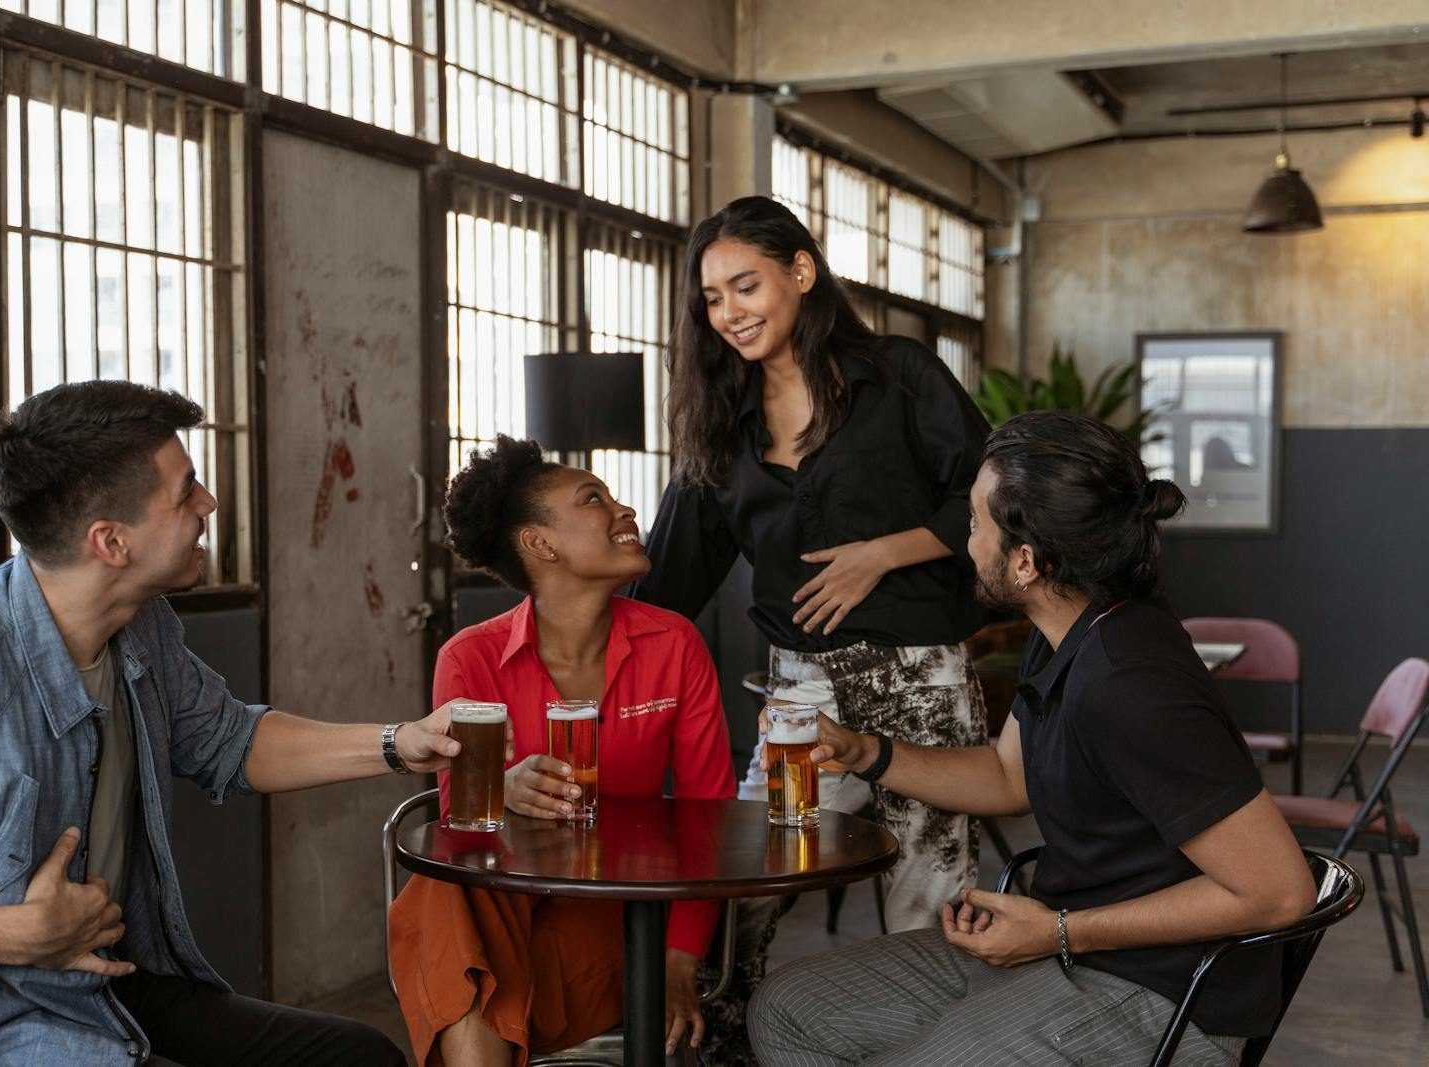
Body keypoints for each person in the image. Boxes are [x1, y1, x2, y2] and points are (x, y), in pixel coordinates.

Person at [0, 380, 475, 1067]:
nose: (210, 504)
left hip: (107, 992)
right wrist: (12, 934)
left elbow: (231, 741)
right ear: (110, 541)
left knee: (358, 1058)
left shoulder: (142, 626)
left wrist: (399, 743)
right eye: (187, 490)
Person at [747, 412, 1317, 1066]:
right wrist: (862, 750)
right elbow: (1005, 776)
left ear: (1024, 561)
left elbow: (1280, 891)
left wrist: (1059, 929)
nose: (965, 542)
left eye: (974, 524)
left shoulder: (1132, 682)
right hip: (1064, 943)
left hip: (1163, 990)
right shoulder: (1068, 633)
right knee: (788, 1009)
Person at [630, 195, 991, 1057]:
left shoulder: (900, 372)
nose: (729, 313)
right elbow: (667, 578)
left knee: (926, 905)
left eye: (744, 285)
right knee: (746, 879)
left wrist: (884, 553)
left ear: (800, 270)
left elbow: (989, 492)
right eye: (711, 299)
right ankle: (728, 1048)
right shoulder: (722, 422)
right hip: (800, 691)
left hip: (922, 676)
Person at [388, 435, 735, 1067]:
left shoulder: (674, 645)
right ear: (541, 544)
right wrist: (505, 789)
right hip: (502, 908)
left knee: (467, 963)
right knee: (449, 901)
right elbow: (461, 827)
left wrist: (681, 959)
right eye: (594, 500)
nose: (624, 510)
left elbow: (708, 811)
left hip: (622, 916)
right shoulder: (469, 658)